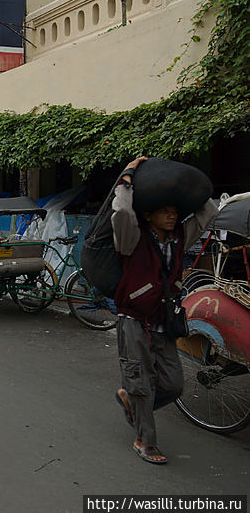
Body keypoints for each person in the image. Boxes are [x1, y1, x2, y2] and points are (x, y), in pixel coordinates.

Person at [111, 156, 217, 465]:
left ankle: (131, 401)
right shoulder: (132, 238)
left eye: (174, 211)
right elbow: (121, 212)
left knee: (173, 384)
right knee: (141, 382)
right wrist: (128, 176)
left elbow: (208, 211)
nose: (172, 216)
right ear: (148, 215)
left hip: (162, 321)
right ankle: (145, 440)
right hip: (133, 319)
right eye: (165, 211)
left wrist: (191, 184)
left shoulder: (179, 237)